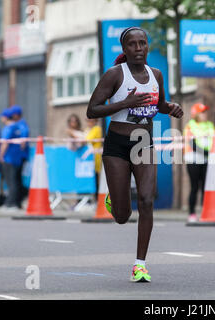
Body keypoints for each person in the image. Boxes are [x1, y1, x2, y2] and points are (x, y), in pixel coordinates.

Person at [86, 26, 183, 283]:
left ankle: (140, 265)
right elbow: (92, 110)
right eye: (133, 44)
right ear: (124, 49)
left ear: (147, 46)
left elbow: (158, 104)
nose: (138, 49)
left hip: (144, 143)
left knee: (147, 200)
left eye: (143, 43)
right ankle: (115, 201)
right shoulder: (115, 75)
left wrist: (170, 108)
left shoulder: (156, 75)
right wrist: (124, 103)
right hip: (117, 145)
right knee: (122, 217)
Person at [184, 103, 215, 223]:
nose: (205, 114)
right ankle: (191, 213)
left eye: (205, 112)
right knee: (194, 187)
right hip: (193, 159)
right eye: (202, 112)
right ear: (196, 114)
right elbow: (192, 144)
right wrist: (207, 153)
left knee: (205, 188)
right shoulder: (190, 126)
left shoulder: (210, 125)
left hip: (206, 160)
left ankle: (205, 212)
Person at [0, 108, 22, 211]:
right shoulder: (17, 126)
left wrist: (0, 155)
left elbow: (5, 143)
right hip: (17, 157)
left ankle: (10, 204)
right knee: (15, 181)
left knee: (10, 181)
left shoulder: (8, 128)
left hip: (8, 158)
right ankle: (14, 202)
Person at [10, 105, 30, 208]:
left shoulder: (22, 125)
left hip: (20, 157)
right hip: (16, 157)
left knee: (17, 179)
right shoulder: (17, 124)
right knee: (16, 179)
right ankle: (18, 200)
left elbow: (23, 141)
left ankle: (19, 201)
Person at [84, 118, 103, 202]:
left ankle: (98, 199)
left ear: (95, 121)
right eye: (87, 121)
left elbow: (87, 138)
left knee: (97, 179)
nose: (89, 123)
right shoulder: (90, 129)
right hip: (91, 159)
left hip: (96, 158)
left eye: (91, 121)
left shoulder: (96, 129)